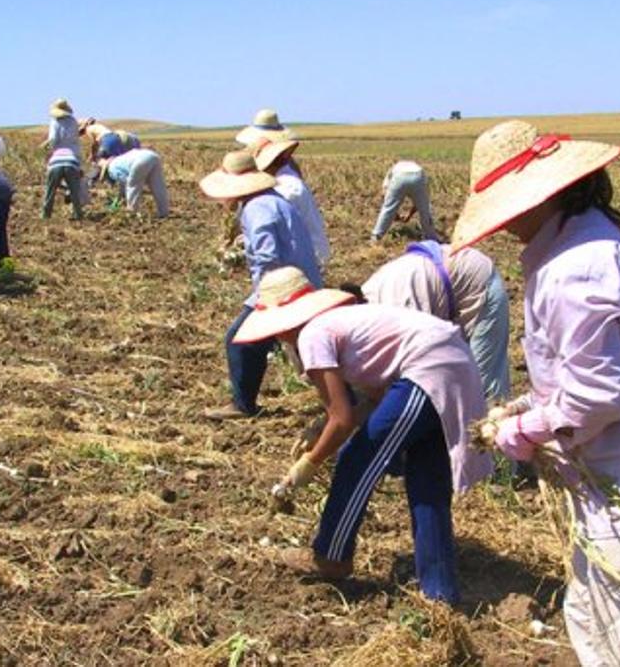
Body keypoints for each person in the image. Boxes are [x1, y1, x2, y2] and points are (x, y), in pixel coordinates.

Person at [454, 120, 620, 665]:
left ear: (540, 197)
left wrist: (522, 430)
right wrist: (530, 404)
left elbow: (599, 397)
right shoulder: (588, 246)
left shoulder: (574, 269)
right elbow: (588, 376)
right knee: (592, 616)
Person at [234, 266, 493, 604]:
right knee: (425, 481)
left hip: (427, 370)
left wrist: (309, 463)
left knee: (356, 457)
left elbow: (340, 420)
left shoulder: (312, 335)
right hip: (449, 365)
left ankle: (331, 556)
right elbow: (369, 403)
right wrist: (322, 430)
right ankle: (439, 591)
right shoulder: (338, 322)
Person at [198, 151, 322, 420]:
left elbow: (267, 256)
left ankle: (243, 405)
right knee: (309, 345)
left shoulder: (256, 208)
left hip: (284, 287)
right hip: (300, 282)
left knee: (240, 340)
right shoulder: (270, 201)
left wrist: (266, 301)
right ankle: (344, 396)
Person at [360, 241, 510, 400]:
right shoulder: (370, 296)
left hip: (478, 283)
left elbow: (423, 359)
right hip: (448, 291)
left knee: (481, 385)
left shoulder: (398, 307)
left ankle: (497, 420)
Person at [250, 137, 331, 266]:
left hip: (307, 256)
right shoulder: (286, 179)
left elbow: (273, 226)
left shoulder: (287, 188)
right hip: (303, 252)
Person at [372, 160, 438, 242]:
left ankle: (376, 237)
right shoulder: (419, 169)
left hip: (399, 177)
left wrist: (394, 214)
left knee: (387, 209)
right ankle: (431, 238)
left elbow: (385, 196)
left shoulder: (392, 170)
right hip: (418, 175)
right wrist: (409, 215)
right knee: (425, 210)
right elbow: (421, 202)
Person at [41, 98, 85, 219]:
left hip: (56, 161)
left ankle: (45, 215)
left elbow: (53, 139)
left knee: (50, 191)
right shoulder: (73, 121)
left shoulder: (54, 121)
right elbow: (76, 142)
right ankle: (78, 215)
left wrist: (47, 147)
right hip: (72, 159)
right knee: (74, 191)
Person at [98, 148, 170, 218]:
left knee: (132, 187)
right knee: (158, 186)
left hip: (140, 161)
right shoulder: (119, 159)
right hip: (153, 156)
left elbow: (127, 182)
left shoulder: (111, 169)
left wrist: (120, 197)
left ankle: (132, 212)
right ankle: (164, 212)